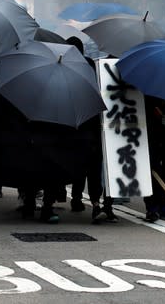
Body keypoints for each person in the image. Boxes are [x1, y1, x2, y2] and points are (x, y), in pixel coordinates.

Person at [66, 36, 118, 224]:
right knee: (94, 166)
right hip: (94, 123)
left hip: (78, 125)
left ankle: (80, 198)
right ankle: (95, 203)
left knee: (83, 165)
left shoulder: (64, 67)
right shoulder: (90, 65)